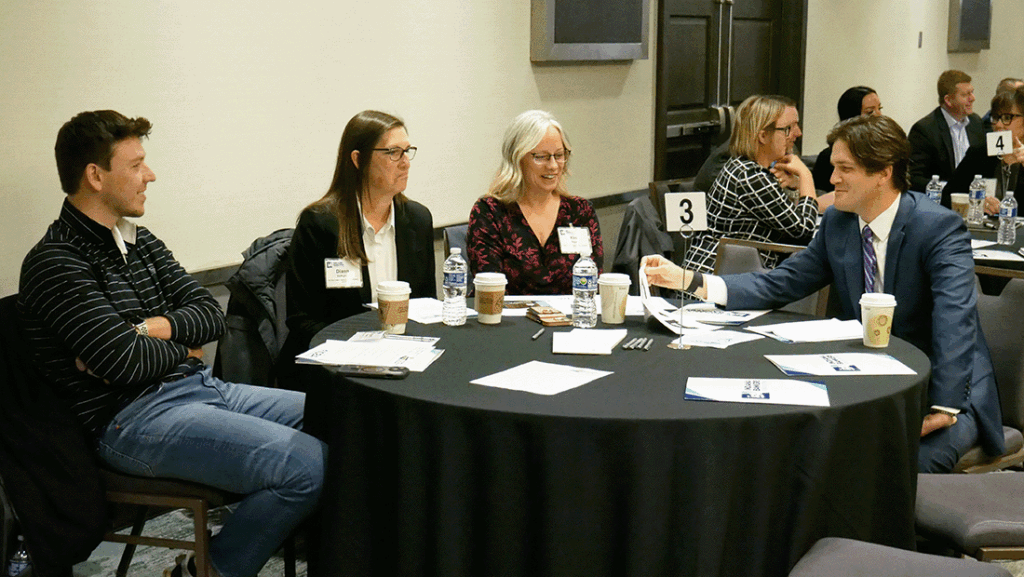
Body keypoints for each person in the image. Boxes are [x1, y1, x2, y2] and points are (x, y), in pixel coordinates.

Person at [17, 110, 326, 577]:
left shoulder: (141, 242)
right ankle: (211, 571)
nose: (150, 175)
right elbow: (121, 363)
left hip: (202, 390)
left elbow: (209, 317)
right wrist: (180, 347)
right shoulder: (55, 261)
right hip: (130, 419)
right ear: (95, 176)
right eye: (137, 164)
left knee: (342, 413)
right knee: (305, 466)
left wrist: (149, 330)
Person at [643, 114, 1005, 474]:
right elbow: (780, 282)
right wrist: (691, 280)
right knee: (801, 450)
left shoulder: (938, 227)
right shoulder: (840, 222)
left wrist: (944, 405)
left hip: (943, 394)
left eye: (844, 168)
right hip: (868, 381)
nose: (831, 180)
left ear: (883, 172)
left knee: (900, 467)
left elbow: (954, 318)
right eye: (833, 167)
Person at [283, 110, 435, 385]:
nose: (405, 164)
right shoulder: (321, 223)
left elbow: (427, 306)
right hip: (337, 372)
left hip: (404, 364)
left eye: (407, 151)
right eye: (393, 153)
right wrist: (365, 352)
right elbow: (302, 320)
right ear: (358, 160)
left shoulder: (417, 219)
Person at [682, 95, 831, 277]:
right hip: (714, 283)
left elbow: (785, 218)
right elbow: (803, 231)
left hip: (730, 276)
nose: (798, 133)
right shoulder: (750, 176)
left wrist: (796, 185)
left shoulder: (746, 167)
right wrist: (806, 176)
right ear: (763, 136)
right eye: (788, 128)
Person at [467, 110, 603, 295]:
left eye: (559, 155)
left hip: (570, 319)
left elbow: (592, 286)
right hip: (508, 320)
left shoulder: (580, 212)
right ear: (517, 159)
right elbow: (490, 289)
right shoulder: (490, 212)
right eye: (541, 157)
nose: (553, 166)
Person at [908, 69, 986, 193]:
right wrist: (949, 189)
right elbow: (913, 178)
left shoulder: (976, 123)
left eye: (972, 92)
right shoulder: (924, 130)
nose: (973, 98)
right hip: (940, 202)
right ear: (948, 100)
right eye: (965, 95)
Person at [812, 86, 882, 192]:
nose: (879, 115)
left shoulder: (886, 151)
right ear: (852, 117)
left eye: (879, 109)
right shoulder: (829, 157)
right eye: (870, 112)